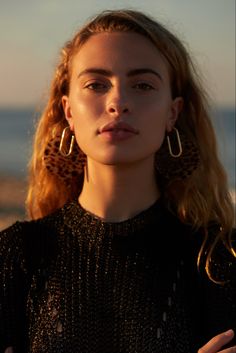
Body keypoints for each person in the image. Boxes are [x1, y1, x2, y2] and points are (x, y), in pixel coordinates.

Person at [0, 8, 235, 353]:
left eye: (142, 85)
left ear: (173, 112)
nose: (118, 102)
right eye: (96, 84)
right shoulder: (15, 256)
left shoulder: (219, 259)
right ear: (68, 111)